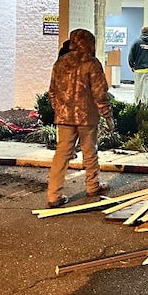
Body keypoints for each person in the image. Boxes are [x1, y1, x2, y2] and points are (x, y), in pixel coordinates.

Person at [46, 29, 114, 208]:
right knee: (90, 151)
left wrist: (59, 108)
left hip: (64, 117)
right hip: (87, 116)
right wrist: (107, 116)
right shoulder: (91, 63)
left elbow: (52, 92)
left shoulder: (60, 62)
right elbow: (100, 93)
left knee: (62, 155)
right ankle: (93, 186)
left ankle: (54, 195)